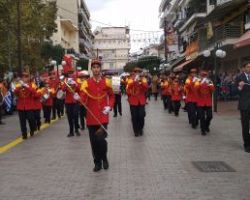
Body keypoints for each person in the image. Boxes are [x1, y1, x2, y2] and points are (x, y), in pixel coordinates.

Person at [80, 59, 115, 172]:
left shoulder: (106, 82)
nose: (96, 69)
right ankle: (97, 162)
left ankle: (104, 158)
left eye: (97, 67)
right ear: (92, 69)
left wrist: (109, 106)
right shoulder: (86, 83)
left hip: (103, 116)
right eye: (94, 67)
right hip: (91, 117)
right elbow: (83, 99)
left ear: (100, 69)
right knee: (94, 142)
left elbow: (112, 96)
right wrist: (78, 99)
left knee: (101, 140)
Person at [126, 67, 148, 137]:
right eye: (136, 72)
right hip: (133, 101)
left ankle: (141, 128)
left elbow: (146, 88)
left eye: (139, 72)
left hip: (141, 100)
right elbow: (128, 88)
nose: (137, 73)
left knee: (141, 115)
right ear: (134, 73)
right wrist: (134, 81)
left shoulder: (143, 79)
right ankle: (135, 131)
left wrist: (141, 81)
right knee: (134, 117)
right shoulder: (130, 80)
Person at [14, 72, 36, 139]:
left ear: (28, 78)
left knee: (31, 119)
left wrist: (27, 86)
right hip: (21, 106)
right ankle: (24, 134)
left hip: (29, 106)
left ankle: (32, 129)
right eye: (23, 77)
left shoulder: (32, 84)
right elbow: (15, 92)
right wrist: (20, 86)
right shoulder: (18, 85)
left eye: (26, 77)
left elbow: (34, 92)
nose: (24, 78)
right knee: (22, 122)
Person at [235, 61, 250, 152]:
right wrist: (239, 87)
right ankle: (247, 145)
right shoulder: (239, 77)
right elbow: (235, 91)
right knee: (245, 126)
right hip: (244, 105)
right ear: (244, 68)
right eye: (248, 67)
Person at [195, 70, 215, 135]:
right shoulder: (197, 81)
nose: (204, 77)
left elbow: (213, 89)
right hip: (200, 102)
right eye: (202, 76)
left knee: (210, 116)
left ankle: (206, 125)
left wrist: (209, 83)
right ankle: (203, 130)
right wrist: (200, 82)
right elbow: (195, 89)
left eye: (205, 75)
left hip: (208, 102)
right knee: (202, 117)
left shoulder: (209, 81)